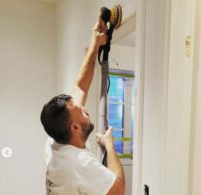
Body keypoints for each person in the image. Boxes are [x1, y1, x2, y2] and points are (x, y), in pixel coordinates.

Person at [40, 16, 125, 195]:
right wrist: (110, 146)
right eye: (82, 112)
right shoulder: (79, 163)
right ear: (75, 128)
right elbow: (118, 189)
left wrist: (95, 44)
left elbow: (80, 87)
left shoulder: (55, 141)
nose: (85, 108)